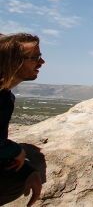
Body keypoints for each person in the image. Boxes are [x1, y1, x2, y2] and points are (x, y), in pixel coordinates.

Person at [0, 33, 45, 206]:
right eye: (35, 58)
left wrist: (26, 171)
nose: (41, 63)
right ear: (12, 61)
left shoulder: (5, 97)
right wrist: (14, 150)